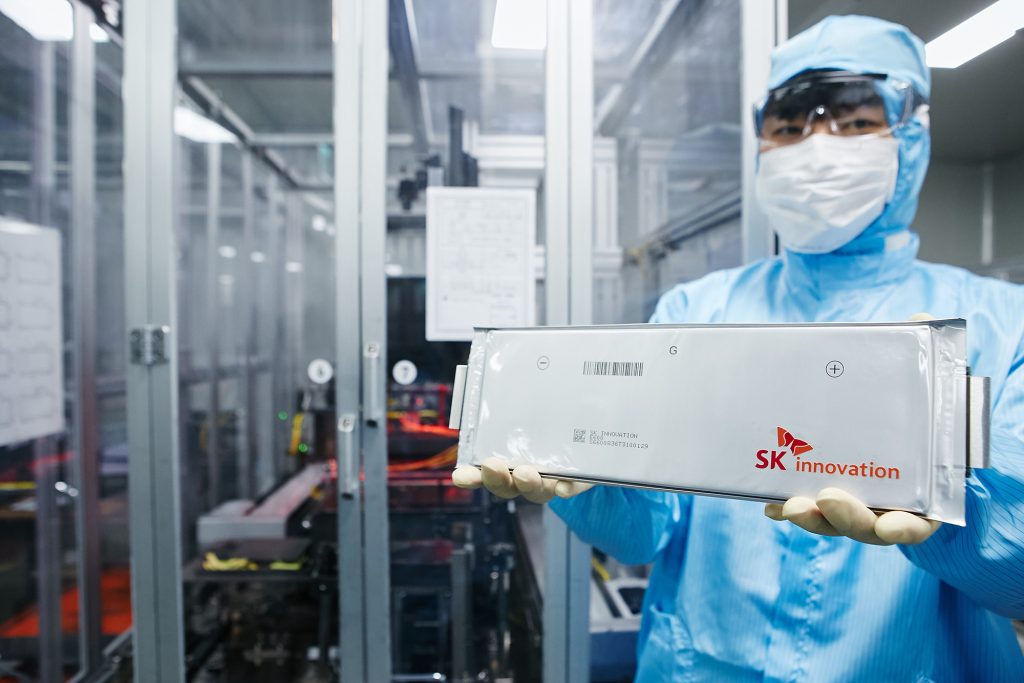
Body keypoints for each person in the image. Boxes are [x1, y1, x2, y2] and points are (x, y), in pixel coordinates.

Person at [452, 14, 1024, 682]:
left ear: (913, 134)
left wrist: (956, 509)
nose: (818, 147)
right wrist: (584, 480)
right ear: (760, 145)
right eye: (789, 126)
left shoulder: (1002, 324)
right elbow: (646, 529)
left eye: (854, 121)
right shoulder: (696, 310)